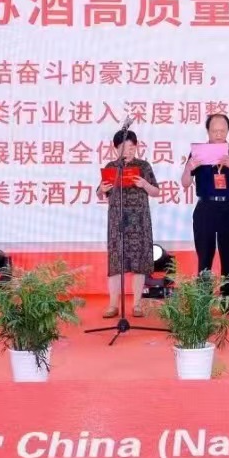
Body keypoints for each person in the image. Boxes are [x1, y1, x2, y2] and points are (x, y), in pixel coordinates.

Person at [182, 112, 229, 310]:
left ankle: (227, 302)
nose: (218, 135)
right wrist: (189, 168)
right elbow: (185, 183)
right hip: (205, 208)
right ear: (208, 131)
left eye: (222, 131)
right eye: (214, 131)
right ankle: (203, 302)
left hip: (228, 207)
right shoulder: (198, 152)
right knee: (204, 257)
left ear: (228, 130)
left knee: (228, 257)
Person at [97, 127, 159, 318]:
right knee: (116, 263)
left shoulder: (144, 166)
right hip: (118, 222)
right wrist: (102, 189)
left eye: (132, 147)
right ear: (116, 148)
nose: (129, 151)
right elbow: (100, 193)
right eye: (124, 147)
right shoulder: (111, 167)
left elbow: (156, 191)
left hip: (140, 221)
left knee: (139, 262)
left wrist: (144, 184)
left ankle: (137, 304)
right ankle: (113, 305)